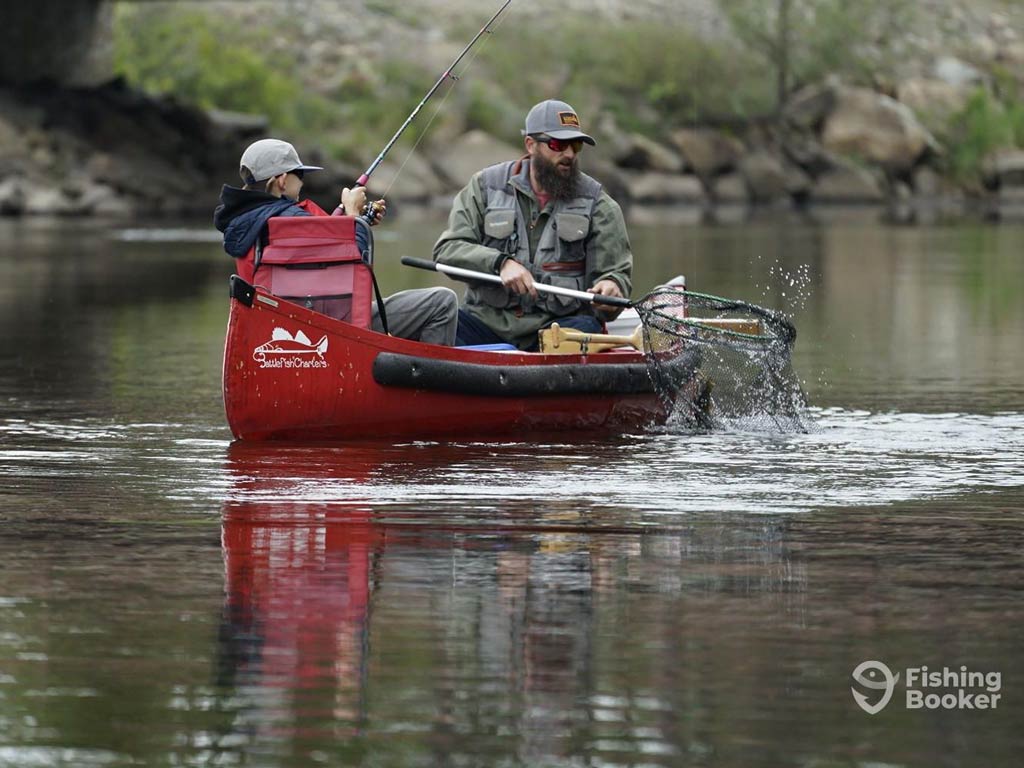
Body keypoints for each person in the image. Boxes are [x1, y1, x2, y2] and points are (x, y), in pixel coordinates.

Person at [214, 138, 458, 346]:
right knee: (442, 302)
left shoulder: (246, 222)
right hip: (326, 325)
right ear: (282, 181)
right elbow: (351, 267)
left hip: (274, 327)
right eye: (299, 175)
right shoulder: (290, 221)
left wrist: (356, 220)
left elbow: (311, 256)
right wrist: (353, 217)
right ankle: (424, 390)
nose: (302, 181)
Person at [433, 99, 632, 350]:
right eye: (558, 144)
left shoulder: (599, 205)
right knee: (437, 321)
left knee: (587, 327)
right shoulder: (484, 187)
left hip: (558, 329)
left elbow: (615, 275)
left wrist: (611, 288)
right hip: (485, 325)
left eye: (576, 145)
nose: (569, 154)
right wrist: (500, 263)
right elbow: (448, 250)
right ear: (530, 144)